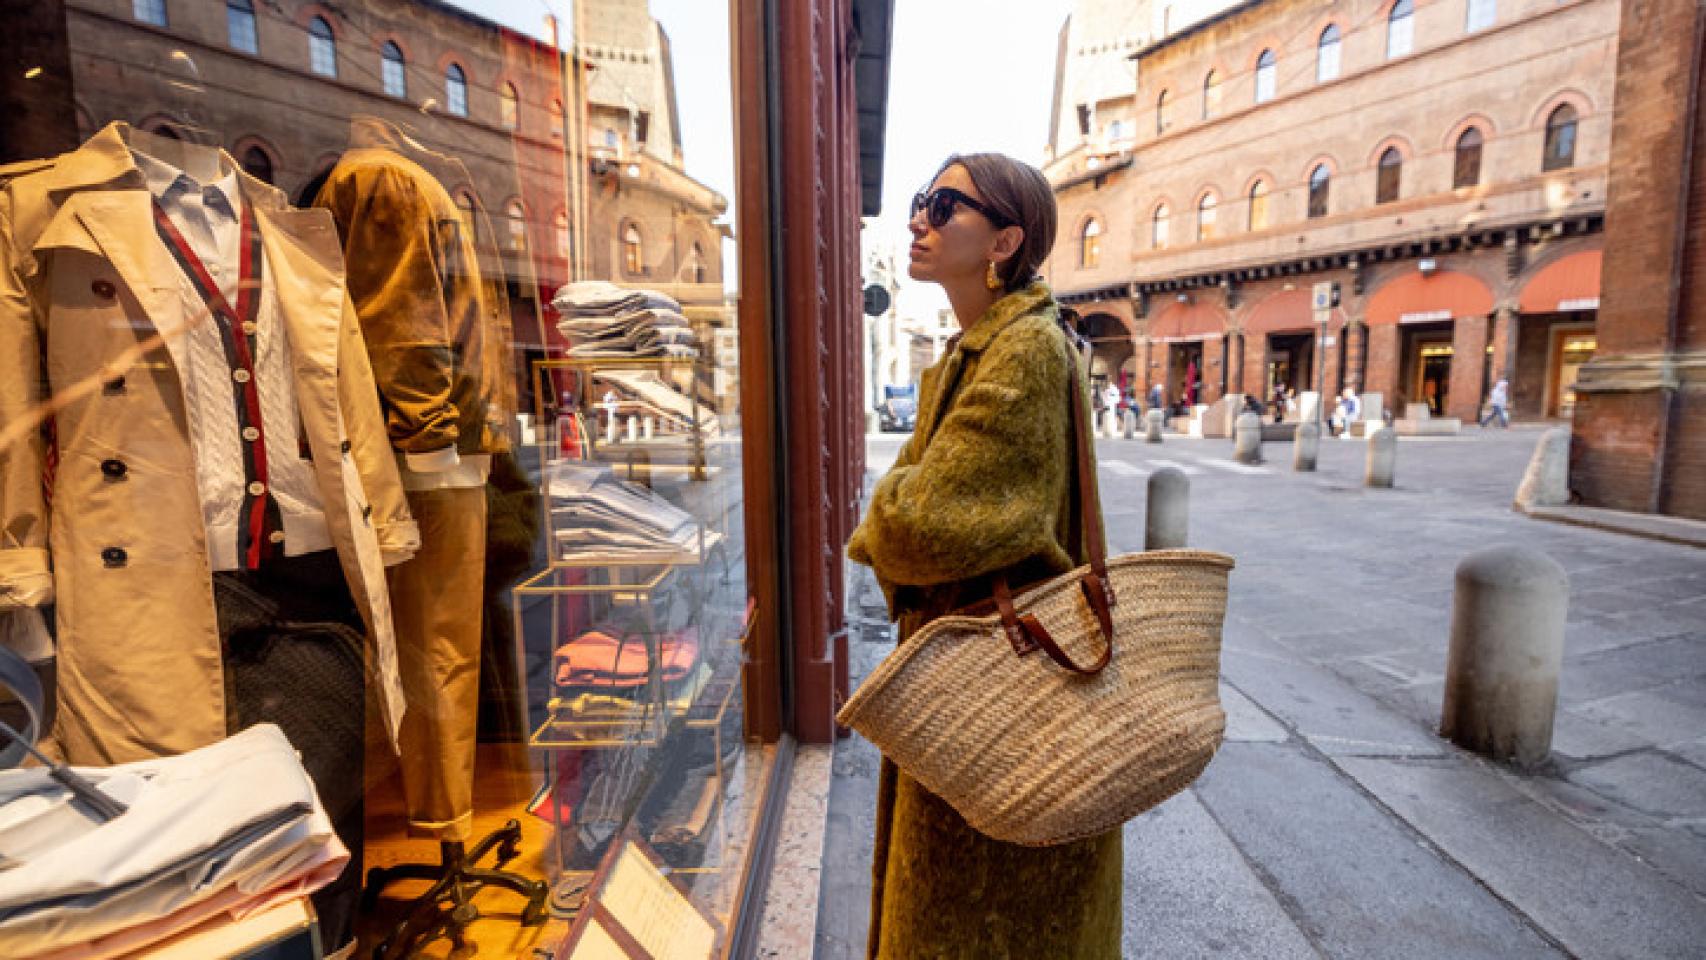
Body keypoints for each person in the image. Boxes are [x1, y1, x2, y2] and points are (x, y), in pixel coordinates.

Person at [846, 153, 1121, 959]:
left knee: (985, 921)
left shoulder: (1023, 352)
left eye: (943, 205)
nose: (918, 220)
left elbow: (919, 524)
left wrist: (887, 522)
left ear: (1006, 241)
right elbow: (910, 512)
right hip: (978, 676)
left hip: (1004, 688)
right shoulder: (975, 353)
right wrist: (895, 514)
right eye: (918, 201)